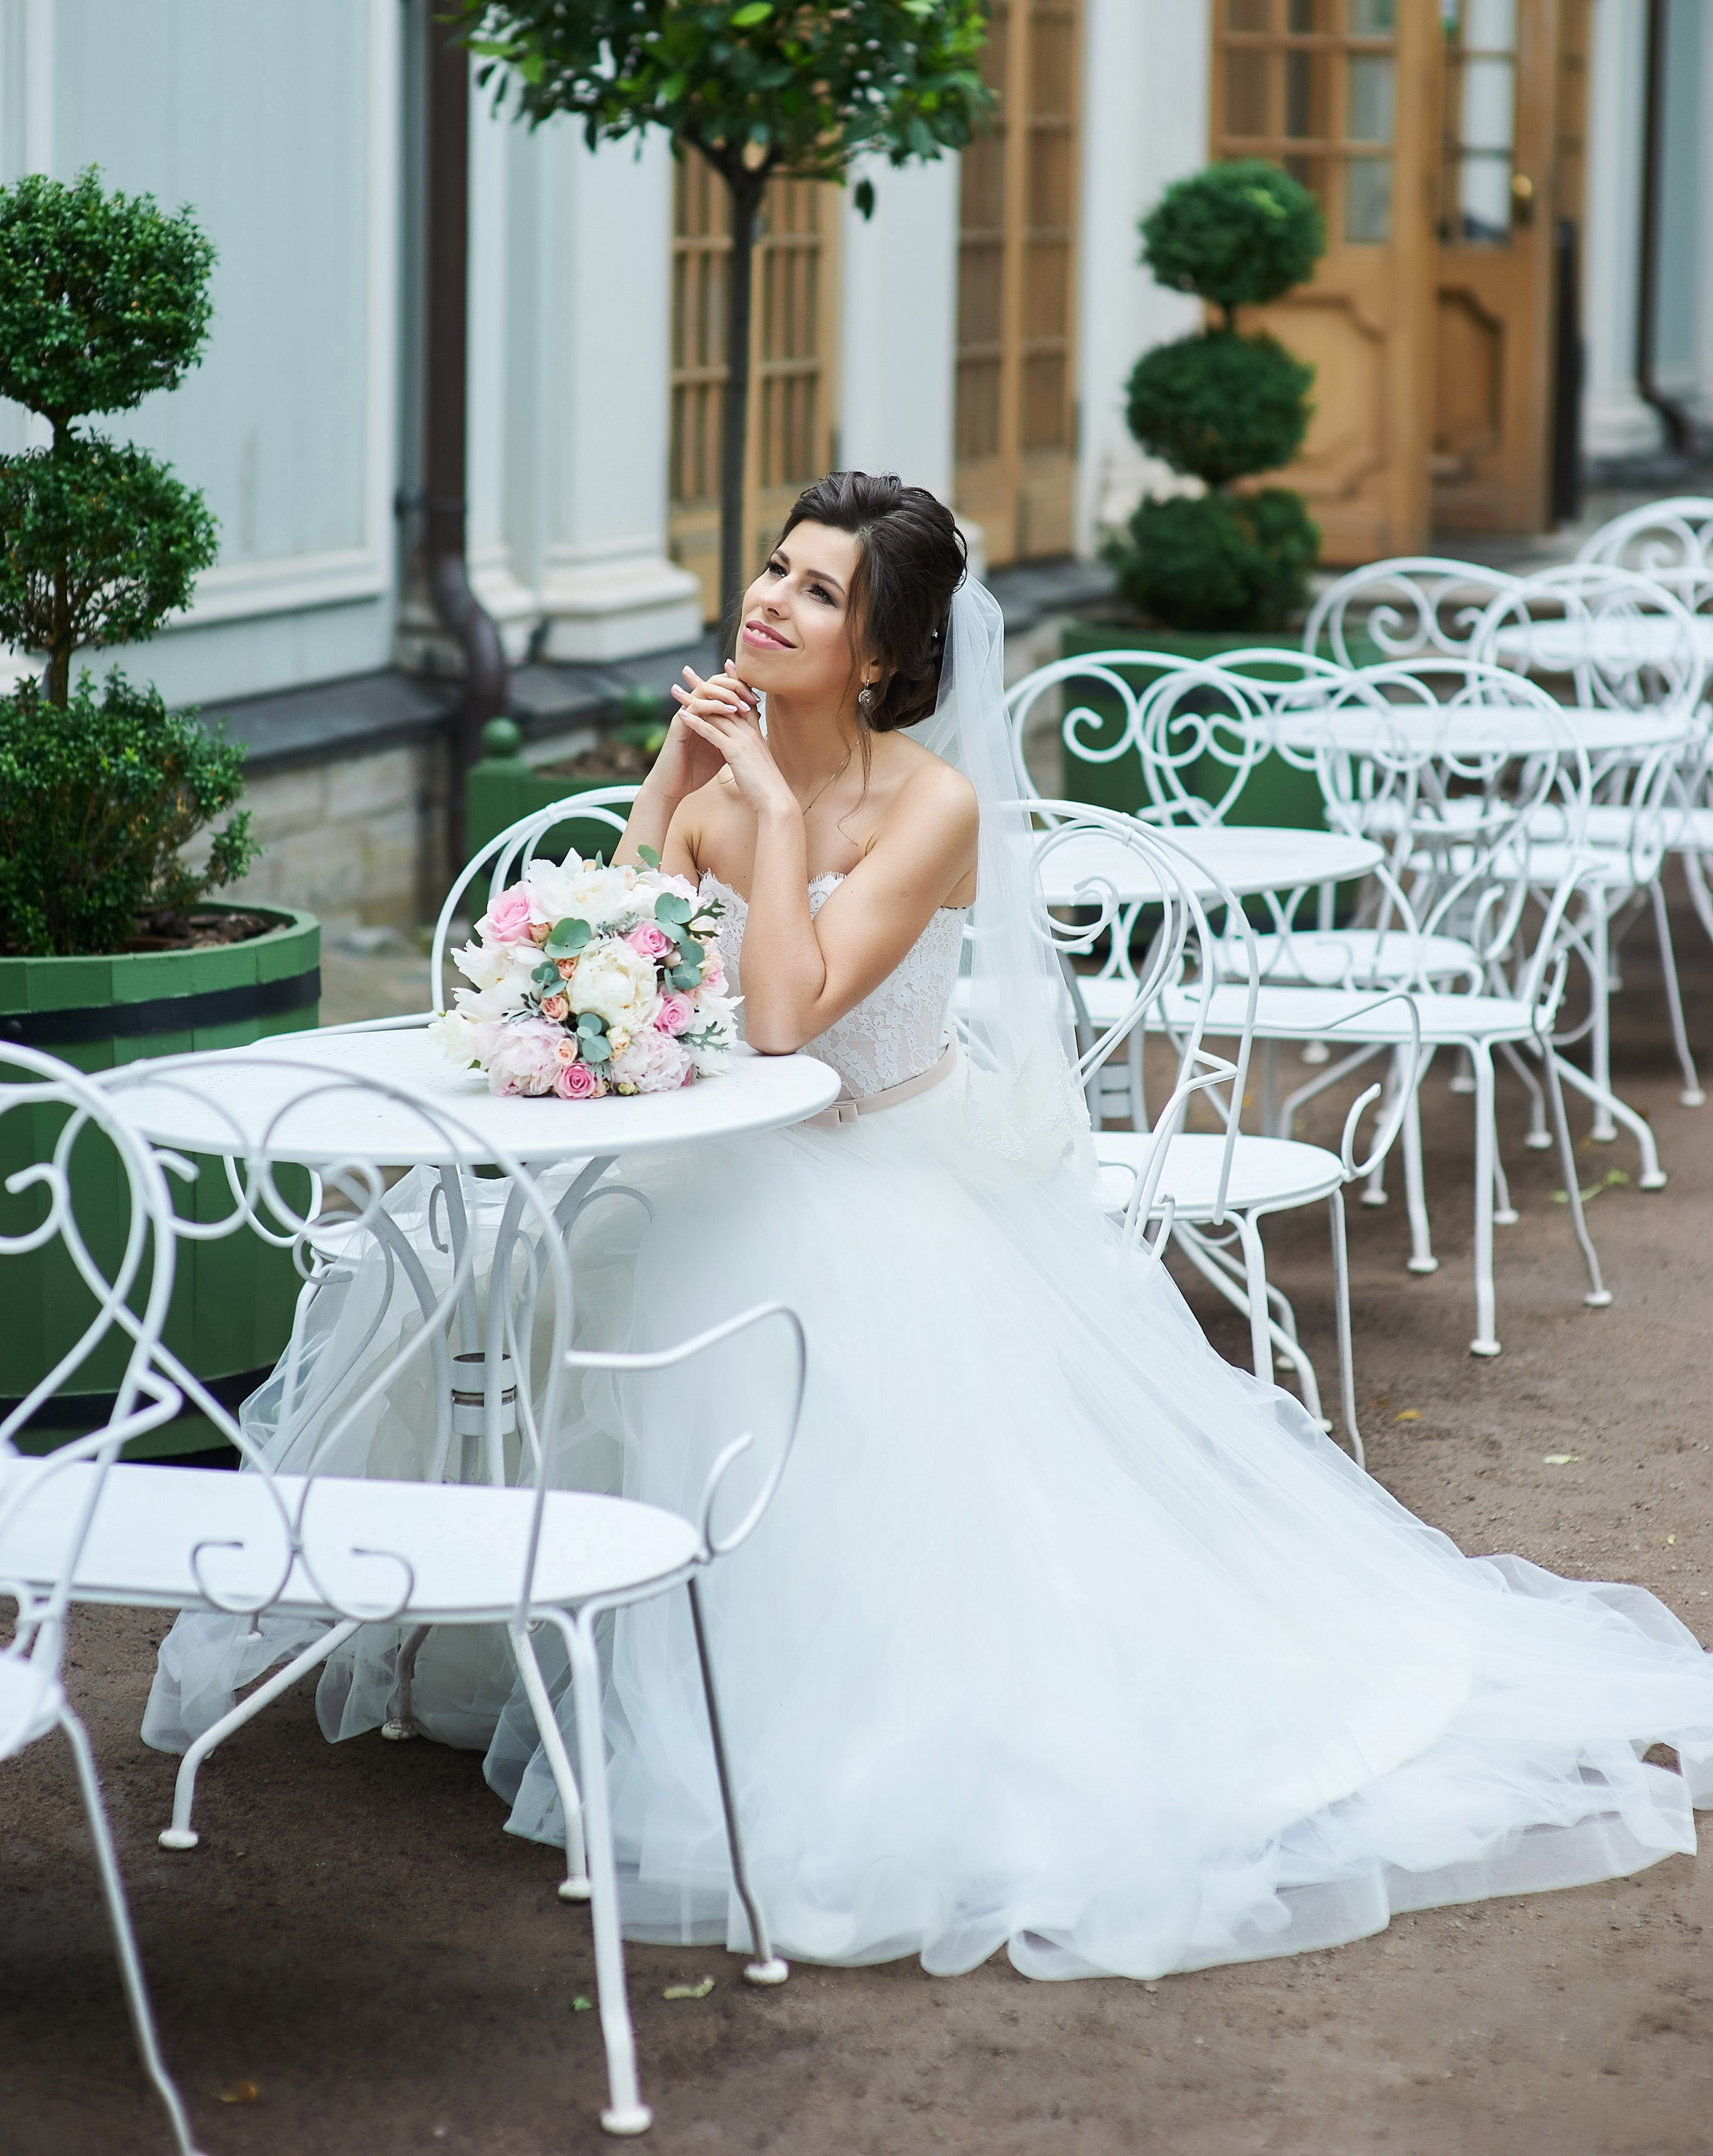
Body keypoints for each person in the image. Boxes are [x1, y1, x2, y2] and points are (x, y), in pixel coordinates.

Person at [149, 471, 1713, 1984]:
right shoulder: (721, 768)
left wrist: (761, 809)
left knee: (781, 1365)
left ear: (886, 655)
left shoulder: (933, 805)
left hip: (875, 1179)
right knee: (544, 1282)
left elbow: (782, 1023)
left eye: (813, 591)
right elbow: (613, 966)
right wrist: (666, 794)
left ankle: (807, 1712)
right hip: (696, 1165)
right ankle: (565, 1638)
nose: (767, 600)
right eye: (773, 568)